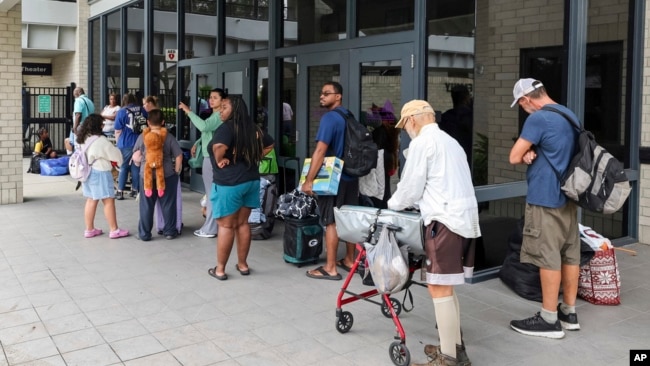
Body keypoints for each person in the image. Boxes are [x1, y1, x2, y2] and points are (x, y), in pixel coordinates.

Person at [387, 100, 481, 366]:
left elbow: (410, 188)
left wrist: (391, 206)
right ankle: (454, 348)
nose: (405, 131)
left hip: (444, 222)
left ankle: (448, 358)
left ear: (412, 120)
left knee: (438, 288)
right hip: (464, 220)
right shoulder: (450, 142)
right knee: (446, 287)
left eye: (404, 125)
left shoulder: (422, 144)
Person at [508, 78, 580, 339]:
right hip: (569, 196)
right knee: (569, 253)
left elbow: (514, 156)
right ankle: (568, 313)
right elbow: (557, 149)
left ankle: (549, 320)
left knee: (548, 256)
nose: (523, 109)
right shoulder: (568, 114)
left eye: (521, 105)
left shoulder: (538, 119)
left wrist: (525, 151)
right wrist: (533, 149)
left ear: (527, 100)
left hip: (545, 198)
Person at [302, 81, 358, 280]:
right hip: (351, 176)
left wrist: (309, 180)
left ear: (338, 96)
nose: (321, 96)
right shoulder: (349, 116)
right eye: (321, 93)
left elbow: (320, 150)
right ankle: (350, 259)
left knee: (331, 222)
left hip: (334, 178)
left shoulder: (330, 119)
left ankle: (331, 267)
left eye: (327, 93)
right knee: (349, 219)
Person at [206, 95, 264, 280]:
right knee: (242, 223)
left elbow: (219, 147)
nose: (221, 110)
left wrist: (220, 159)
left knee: (226, 225)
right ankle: (243, 265)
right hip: (251, 180)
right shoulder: (252, 127)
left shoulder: (226, 128)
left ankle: (220, 269)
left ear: (235, 110)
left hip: (230, 183)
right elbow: (269, 144)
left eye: (224, 107)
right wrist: (251, 155)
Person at [179, 88, 227, 238]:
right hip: (210, 155)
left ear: (222, 101)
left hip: (211, 157)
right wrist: (198, 142)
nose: (211, 100)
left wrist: (188, 111)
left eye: (215, 98)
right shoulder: (216, 115)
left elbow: (204, 126)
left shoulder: (218, 116)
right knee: (212, 193)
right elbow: (209, 132)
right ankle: (213, 226)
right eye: (210, 97)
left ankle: (211, 228)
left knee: (211, 194)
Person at [75, 114, 129, 239]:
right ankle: (114, 230)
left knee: (91, 200)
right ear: (97, 126)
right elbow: (116, 156)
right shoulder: (101, 141)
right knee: (108, 200)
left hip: (87, 173)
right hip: (100, 172)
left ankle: (89, 229)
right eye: (102, 123)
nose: (103, 125)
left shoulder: (83, 139)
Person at [133, 109, 183, 241]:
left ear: (148, 122)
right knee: (168, 203)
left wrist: (141, 163)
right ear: (162, 122)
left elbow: (136, 156)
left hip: (146, 176)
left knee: (146, 206)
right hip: (166, 175)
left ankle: (144, 234)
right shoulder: (169, 137)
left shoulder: (142, 137)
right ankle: (170, 231)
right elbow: (179, 156)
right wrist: (176, 171)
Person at [114, 93, 147, 200]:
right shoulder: (142, 110)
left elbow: (118, 130)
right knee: (136, 166)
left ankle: (120, 191)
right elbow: (146, 125)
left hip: (125, 142)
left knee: (124, 167)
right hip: (139, 142)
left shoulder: (121, 112)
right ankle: (135, 190)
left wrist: (118, 142)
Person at [438, 85, 473, 166]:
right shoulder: (471, 117)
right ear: (466, 98)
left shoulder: (445, 117)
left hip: (449, 159)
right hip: (466, 159)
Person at [65, 87, 95, 154]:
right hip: (90, 126)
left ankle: (74, 160)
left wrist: (75, 128)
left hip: (81, 126)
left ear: (78, 93)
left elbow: (78, 115)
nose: (75, 97)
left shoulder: (78, 100)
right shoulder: (90, 101)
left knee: (78, 146)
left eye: (75, 95)